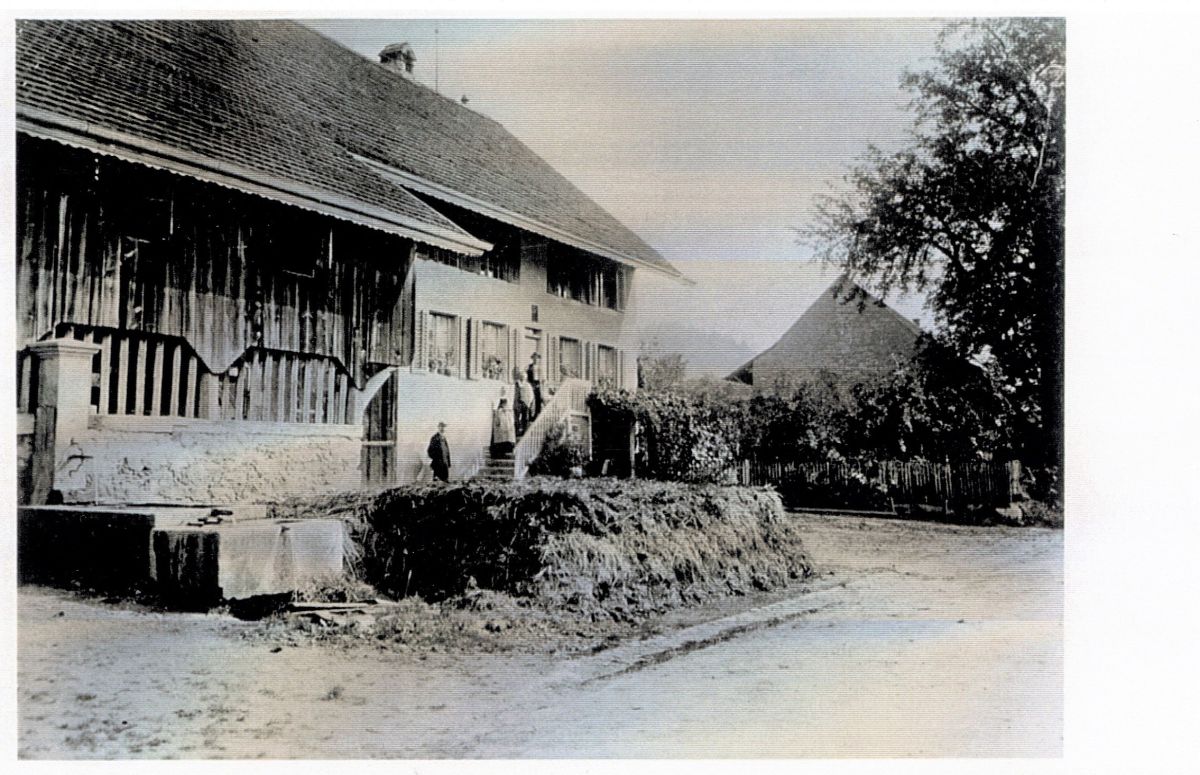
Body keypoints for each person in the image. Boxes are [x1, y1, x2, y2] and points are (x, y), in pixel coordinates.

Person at [514, 370, 534, 436]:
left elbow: (531, 395)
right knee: (516, 417)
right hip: (518, 403)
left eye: (523, 377)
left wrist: (528, 404)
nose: (522, 378)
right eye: (521, 377)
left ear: (525, 377)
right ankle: (516, 431)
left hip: (525, 403)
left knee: (525, 418)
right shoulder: (516, 384)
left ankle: (524, 432)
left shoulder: (528, 385)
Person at [526, 352, 544, 418]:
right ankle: (530, 415)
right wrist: (530, 384)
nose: (535, 359)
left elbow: (542, 377)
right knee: (531, 398)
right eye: (534, 358)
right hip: (531, 383)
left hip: (538, 384)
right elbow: (527, 376)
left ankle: (537, 414)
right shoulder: (530, 367)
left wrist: (541, 383)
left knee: (538, 398)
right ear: (532, 359)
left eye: (537, 358)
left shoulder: (540, 367)